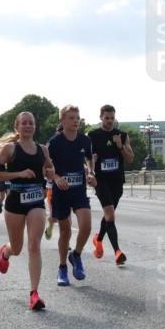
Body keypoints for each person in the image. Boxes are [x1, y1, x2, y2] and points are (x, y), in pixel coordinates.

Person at [0, 112, 55, 310]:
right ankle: (6, 252)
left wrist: (51, 173)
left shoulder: (43, 149)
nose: (28, 126)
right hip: (15, 201)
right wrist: (19, 173)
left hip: (36, 201)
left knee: (34, 244)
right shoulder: (9, 148)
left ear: (35, 126)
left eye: (31, 123)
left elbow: (50, 168)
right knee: (17, 248)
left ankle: (34, 294)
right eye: (24, 123)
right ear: (17, 127)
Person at [47, 106, 96, 286]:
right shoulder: (54, 142)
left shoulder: (85, 140)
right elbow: (46, 167)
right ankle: (62, 268)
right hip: (61, 192)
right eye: (71, 118)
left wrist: (91, 173)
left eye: (77, 117)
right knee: (65, 231)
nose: (76, 121)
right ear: (62, 120)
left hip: (78, 191)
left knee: (86, 225)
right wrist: (56, 178)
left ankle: (75, 255)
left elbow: (89, 159)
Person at [88, 104, 134, 265]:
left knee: (109, 214)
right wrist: (91, 166)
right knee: (110, 214)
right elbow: (86, 158)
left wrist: (120, 146)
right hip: (101, 181)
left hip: (117, 181)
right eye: (106, 118)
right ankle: (117, 252)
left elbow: (130, 158)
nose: (109, 121)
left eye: (112, 118)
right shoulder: (92, 135)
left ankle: (98, 239)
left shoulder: (122, 135)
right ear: (101, 117)